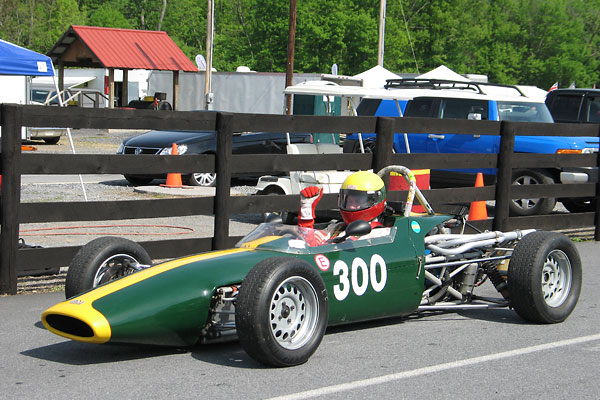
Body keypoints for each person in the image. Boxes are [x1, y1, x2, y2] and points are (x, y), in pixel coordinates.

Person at [297, 171, 387, 246]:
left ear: (374, 201)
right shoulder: (336, 228)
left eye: (357, 202)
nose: (351, 206)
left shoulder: (380, 235)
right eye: (349, 201)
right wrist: (306, 209)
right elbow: (310, 245)